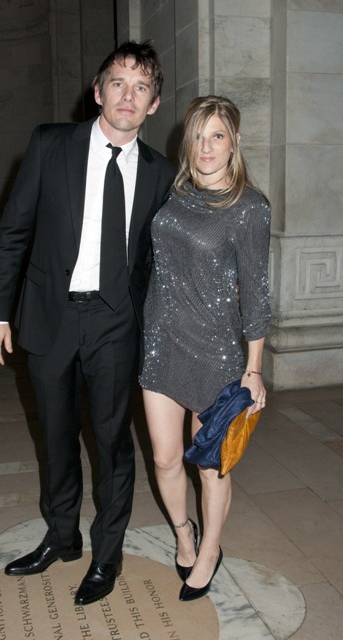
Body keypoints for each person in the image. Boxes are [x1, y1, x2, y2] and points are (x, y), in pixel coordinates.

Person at [0, 40, 175, 606]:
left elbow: (160, 261)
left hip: (117, 322)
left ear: (153, 104)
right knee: (56, 435)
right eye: (118, 83)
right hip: (51, 313)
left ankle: (106, 553)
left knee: (113, 443)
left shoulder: (161, 173)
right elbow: (13, 231)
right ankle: (61, 536)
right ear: (97, 91)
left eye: (141, 88)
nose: (127, 96)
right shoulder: (51, 145)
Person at [139, 95, 271, 601]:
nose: (207, 147)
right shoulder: (176, 196)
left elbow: (255, 292)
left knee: (211, 464)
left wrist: (253, 369)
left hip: (216, 353)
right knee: (165, 458)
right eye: (198, 136)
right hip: (161, 343)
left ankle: (211, 548)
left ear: (235, 142)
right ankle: (183, 532)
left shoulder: (249, 207)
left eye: (218, 135)